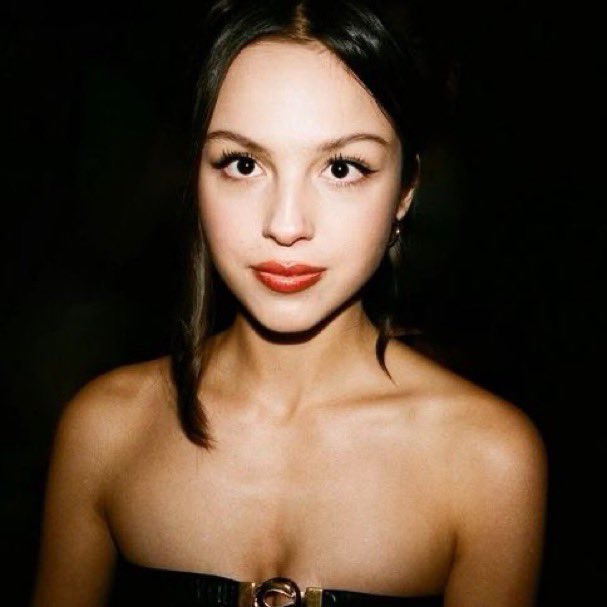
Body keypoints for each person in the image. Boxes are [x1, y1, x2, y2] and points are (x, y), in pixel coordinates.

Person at [30, 1, 548, 605]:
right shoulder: (105, 430)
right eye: (244, 164)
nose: (285, 224)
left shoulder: (488, 459)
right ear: (196, 173)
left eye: (342, 168)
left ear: (406, 189)